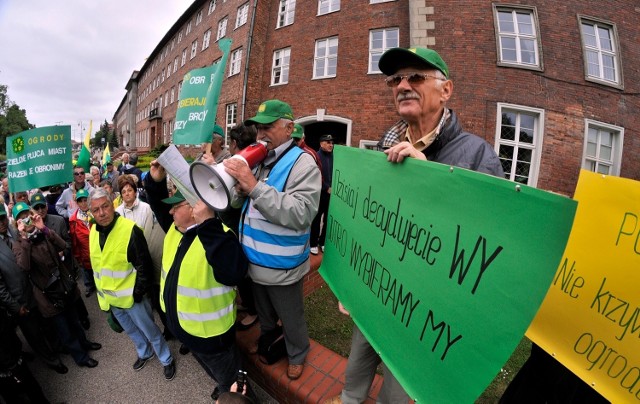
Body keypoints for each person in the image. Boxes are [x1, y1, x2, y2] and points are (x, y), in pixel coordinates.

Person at [326, 47, 504, 404]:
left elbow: (485, 242)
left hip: (419, 311)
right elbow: (368, 223)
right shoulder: (385, 145)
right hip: (376, 291)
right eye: (396, 79)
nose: (403, 85)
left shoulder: (477, 154)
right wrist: (351, 282)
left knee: (397, 385)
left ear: (446, 90)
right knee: (357, 366)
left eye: (416, 77)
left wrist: (430, 180)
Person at [224, 99, 322, 380]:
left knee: (291, 317)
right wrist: (240, 189)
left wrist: (253, 187)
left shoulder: (303, 164)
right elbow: (235, 202)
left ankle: (297, 352)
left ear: (289, 128)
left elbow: (301, 213)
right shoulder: (259, 158)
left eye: (268, 127)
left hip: (282, 266)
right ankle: (269, 338)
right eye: (258, 128)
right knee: (265, 313)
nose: (261, 134)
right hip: (254, 261)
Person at [145, 162, 249, 398]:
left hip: (212, 339)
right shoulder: (176, 228)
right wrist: (155, 180)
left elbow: (234, 273)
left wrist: (208, 224)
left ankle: (229, 394)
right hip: (188, 332)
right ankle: (221, 384)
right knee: (214, 370)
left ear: (194, 209)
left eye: (177, 207)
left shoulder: (219, 236)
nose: (170, 213)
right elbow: (160, 206)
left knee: (232, 383)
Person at [88, 187, 175, 380]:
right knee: (131, 331)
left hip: (133, 297)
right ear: (91, 213)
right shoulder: (93, 231)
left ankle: (166, 358)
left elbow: (143, 265)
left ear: (113, 205)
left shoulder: (130, 230)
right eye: (96, 210)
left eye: (105, 206)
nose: (101, 213)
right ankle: (145, 352)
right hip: (112, 298)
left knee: (149, 329)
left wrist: (138, 292)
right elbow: (97, 265)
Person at [12, 202, 100, 369]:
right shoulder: (19, 244)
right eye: (21, 218)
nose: (26, 220)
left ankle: (85, 343)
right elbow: (24, 266)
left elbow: (63, 245)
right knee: (64, 329)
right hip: (48, 295)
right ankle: (81, 357)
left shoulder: (42, 232)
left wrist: (44, 229)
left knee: (75, 320)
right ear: (17, 224)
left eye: (27, 215)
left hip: (63, 286)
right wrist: (25, 239)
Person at [0, 204, 68, 374]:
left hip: (36, 288)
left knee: (47, 323)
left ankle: (58, 347)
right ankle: (51, 361)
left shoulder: (17, 229)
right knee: (33, 334)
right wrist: (15, 306)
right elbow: (0, 287)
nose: (1, 222)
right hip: (19, 299)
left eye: (2, 217)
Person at [116, 174, 168, 339]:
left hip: (149, 254)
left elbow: (149, 232)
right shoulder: (118, 213)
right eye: (123, 191)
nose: (127, 194)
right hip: (131, 261)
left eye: (129, 190)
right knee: (145, 297)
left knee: (157, 291)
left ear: (134, 191)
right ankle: (152, 328)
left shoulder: (146, 208)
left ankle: (168, 327)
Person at [69, 189, 97, 297]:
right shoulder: (74, 220)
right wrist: (77, 255)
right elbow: (74, 240)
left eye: (86, 200)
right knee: (86, 270)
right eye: (80, 201)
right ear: (77, 203)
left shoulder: (96, 213)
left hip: (98, 250)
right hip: (85, 252)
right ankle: (89, 285)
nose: (83, 203)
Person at [310, 134, 333, 255]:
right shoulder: (316, 156)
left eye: (331, 142)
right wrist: (326, 187)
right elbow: (316, 175)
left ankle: (322, 242)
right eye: (328, 142)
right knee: (317, 218)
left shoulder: (334, 157)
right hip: (320, 193)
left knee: (328, 218)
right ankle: (313, 243)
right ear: (321, 144)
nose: (331, 145)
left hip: (331, 194)